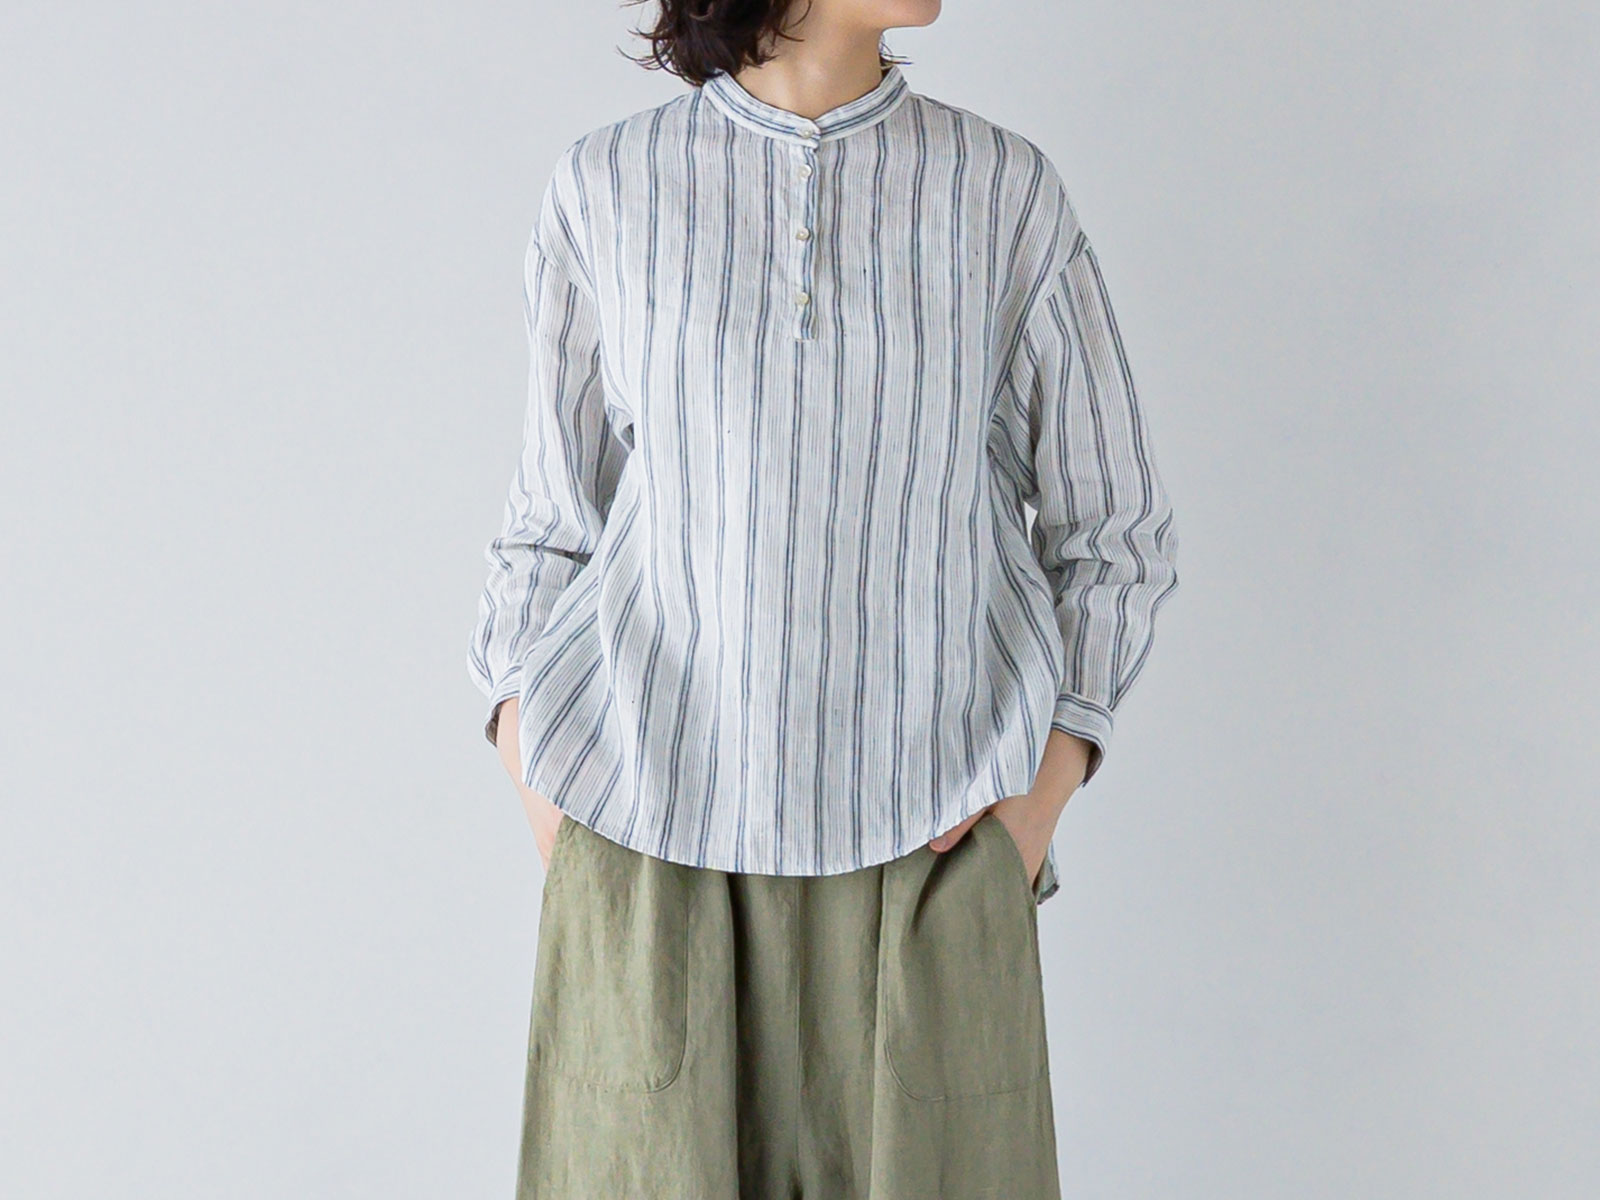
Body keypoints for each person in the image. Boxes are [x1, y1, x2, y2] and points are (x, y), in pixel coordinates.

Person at [466, 2, 1180, 1195]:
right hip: (648, 858)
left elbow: (1115, 533)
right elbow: (550, 528)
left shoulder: (1000, 191)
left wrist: (1035, 803)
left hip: (927, 859)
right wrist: (539, 778)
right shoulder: (607, 186)